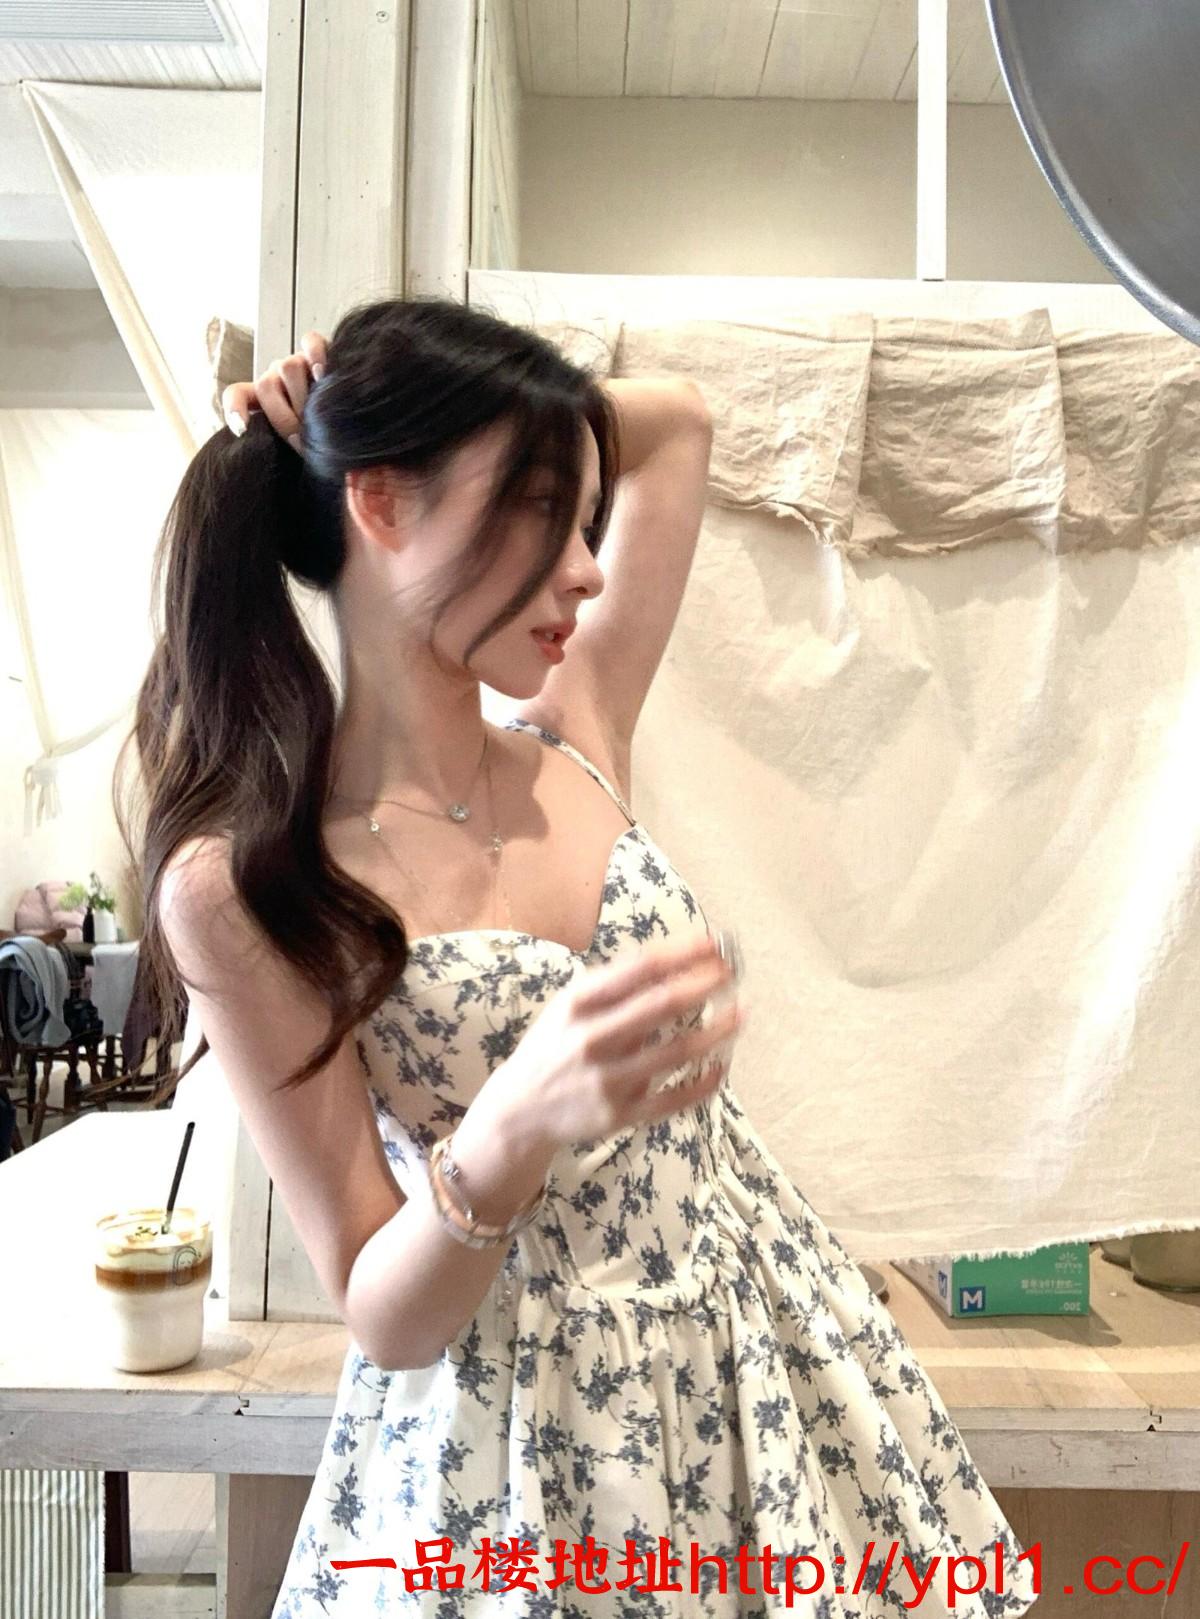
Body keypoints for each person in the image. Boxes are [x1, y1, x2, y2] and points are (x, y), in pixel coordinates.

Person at [119, 296, 1038, 1617]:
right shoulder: (248, 881)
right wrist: (512, 1126)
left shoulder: (577, 734)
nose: (588, 571)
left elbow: (679, 425)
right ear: (382, 505)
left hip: (758, 1379)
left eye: (585, 520)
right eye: (544, 513)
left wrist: (415, 415)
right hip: (521, 1448)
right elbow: (380, 1309)